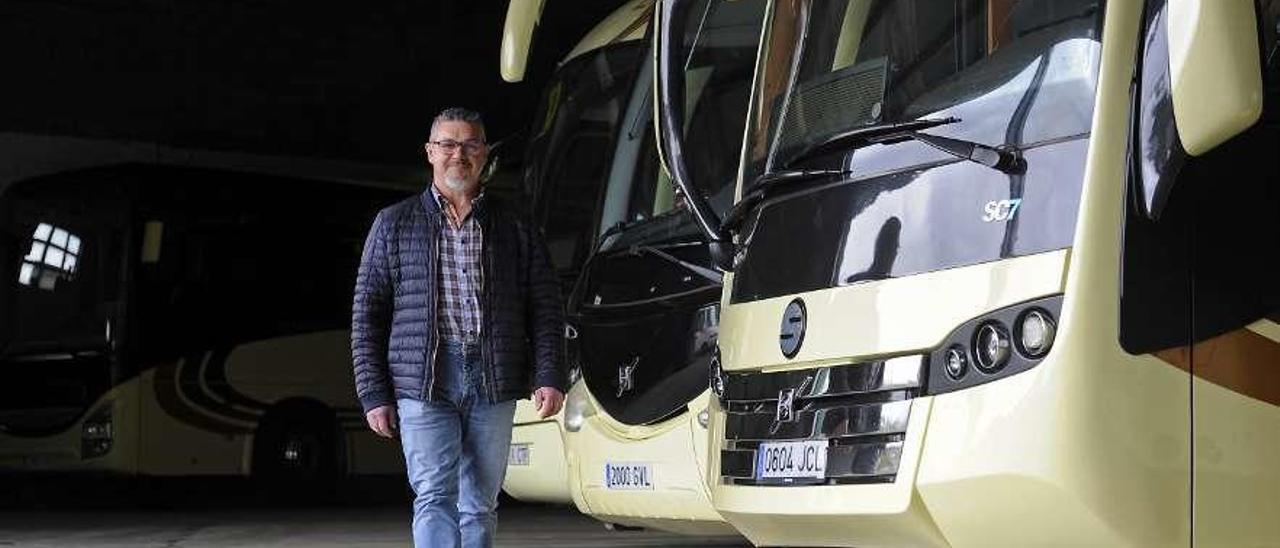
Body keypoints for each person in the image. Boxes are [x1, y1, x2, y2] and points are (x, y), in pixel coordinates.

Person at [351, 107, 566, 548]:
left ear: (484, 154)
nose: (458, 154)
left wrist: (549, 373)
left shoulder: (515, 224)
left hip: (494, 374)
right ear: (430, 152)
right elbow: (367, 313)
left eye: (470, 144)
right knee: (433, 496)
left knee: (480, 504)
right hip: (423, 380)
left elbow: (545, 304)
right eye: (448, 144)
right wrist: (374, 392)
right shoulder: (393, 224)